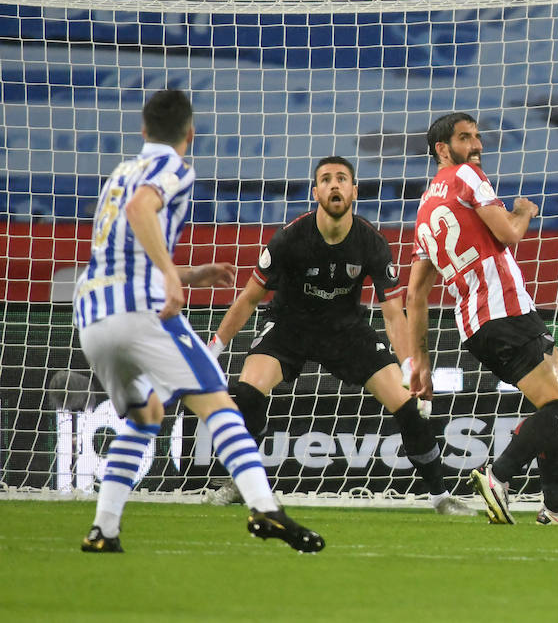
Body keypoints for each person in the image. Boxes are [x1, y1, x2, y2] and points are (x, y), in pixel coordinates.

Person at [71, 89, 323, 553]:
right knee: (218, 404)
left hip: (91, 314)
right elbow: (140, 210)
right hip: (141, 310)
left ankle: (103, 530)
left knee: (146, 414)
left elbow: (121, 251)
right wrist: (171, 277)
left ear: (143, 129)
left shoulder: (119, 173)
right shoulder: (173, 167)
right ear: (189, 133)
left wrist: (190, 272)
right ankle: (265, 508)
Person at [203, 156, 467, 514]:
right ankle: (241, 483)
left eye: (342, 178)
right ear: (315, 192)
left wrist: (409, 368)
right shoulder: (290, 238)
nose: (334, 185)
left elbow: (393, 313)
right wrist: (212, 350)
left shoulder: (371, 242)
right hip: (290, 326)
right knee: (247, 392)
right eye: (325, 179)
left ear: (354, 190)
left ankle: (440, 498)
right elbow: (248, 299)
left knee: (409, 407)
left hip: (346, 331)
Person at [406, 112, 558, 526]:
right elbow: (510, 234)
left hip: (476, 325)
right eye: (464, 138)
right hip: (504, 310)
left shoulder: (424, 209)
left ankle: (556, 506)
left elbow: (416, 293)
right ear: (443, 149)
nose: (476, 145)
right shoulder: (466, 177)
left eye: (477, 137)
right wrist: (524, 211)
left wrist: (419, 361)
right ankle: (499, 476)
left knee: (555, 405)